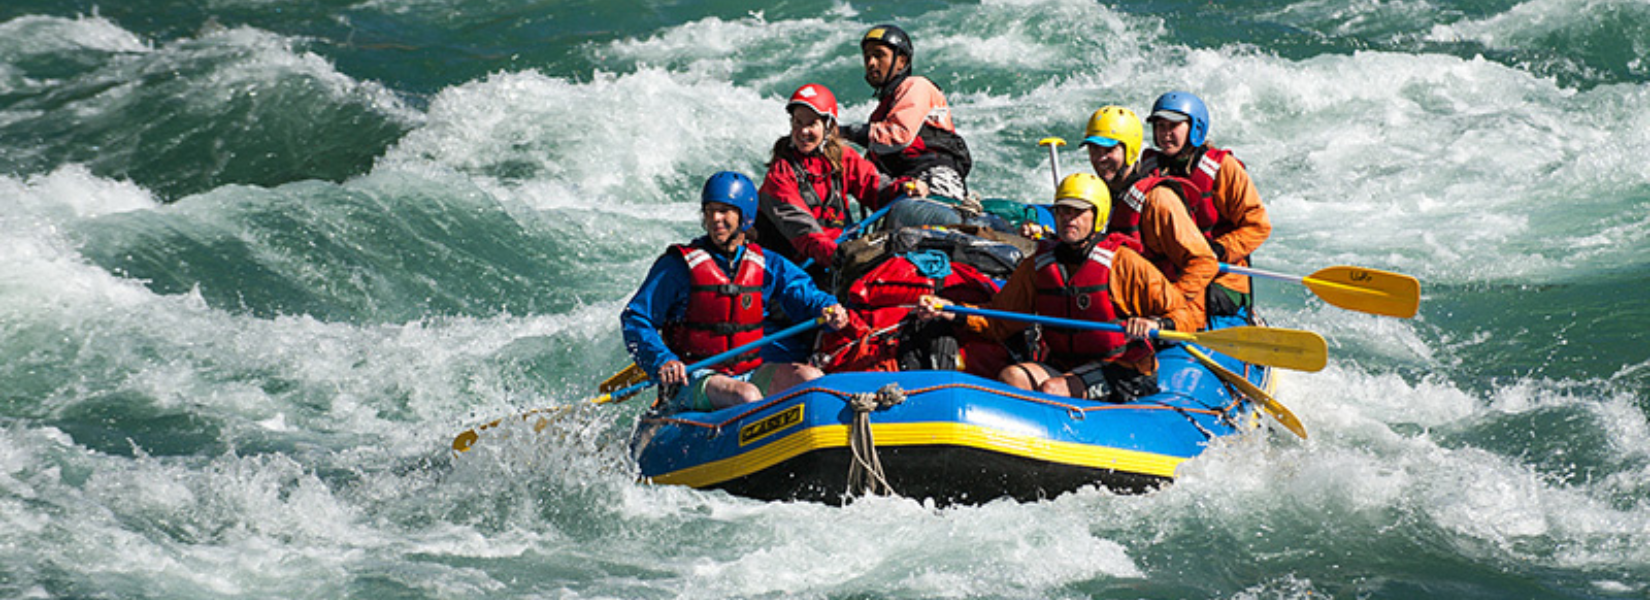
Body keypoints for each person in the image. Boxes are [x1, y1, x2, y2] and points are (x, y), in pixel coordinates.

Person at [915, 173, 1198, 402]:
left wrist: (1153, 322)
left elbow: (1184, 315)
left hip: (1123, 369)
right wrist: (949, 311)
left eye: (1078, 212)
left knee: (1053, 390)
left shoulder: (1124, 263)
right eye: (1063, 210)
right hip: (1067, 366)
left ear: (1097, 217)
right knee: (1012, 377)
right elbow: (999, 320)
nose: (1068, 219)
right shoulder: (1040, 265)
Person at [621, 171, 851, 412]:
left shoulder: (767, 263)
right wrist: (661, 359)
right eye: (710, 211)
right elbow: (636, 318)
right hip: (695, 376)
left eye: (724, 211)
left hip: (749, 371)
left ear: (744, 216)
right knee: (747, 396)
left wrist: (827, 307)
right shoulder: (678, 266)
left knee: (811, 379)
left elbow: (803, 294)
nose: (715, 219)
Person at [756, 83, 928, 271]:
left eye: (811, 123)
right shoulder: (780, 174)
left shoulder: (842, 157)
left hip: (837, 254)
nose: (803, 131)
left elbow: (876, 188)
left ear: (828, 127)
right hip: (797, 267)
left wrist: (904, 188)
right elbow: (801, 230)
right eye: (798, 122)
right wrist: (838, 255)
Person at [1082, 105, 1219, 329]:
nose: (1099, 158)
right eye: (1093, 150)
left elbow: (1204, 262)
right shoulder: (1102, 194)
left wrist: (1167, 312)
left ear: (1130, 150)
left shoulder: (1158, 201)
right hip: (1126, 306)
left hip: (1170, 316)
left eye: (1109, 150)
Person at [1138, 91, 1271, 319]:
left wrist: (1219, 250)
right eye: (1160, 126)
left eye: (1173, 127)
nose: (1165, 134)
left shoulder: (1223, 168)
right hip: (1174, 273)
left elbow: (1258, 226)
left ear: (1194, 128)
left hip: (1222, 279)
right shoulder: (1150, 166)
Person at [840, 24, 973, 202]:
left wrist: (845, 132)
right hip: (904, 184)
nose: (871, 63)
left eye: (879, 55)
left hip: (933, 177)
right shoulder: (882, 113)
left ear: (902, 61)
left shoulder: (916, 85)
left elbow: (899, 135)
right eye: (867, 57)